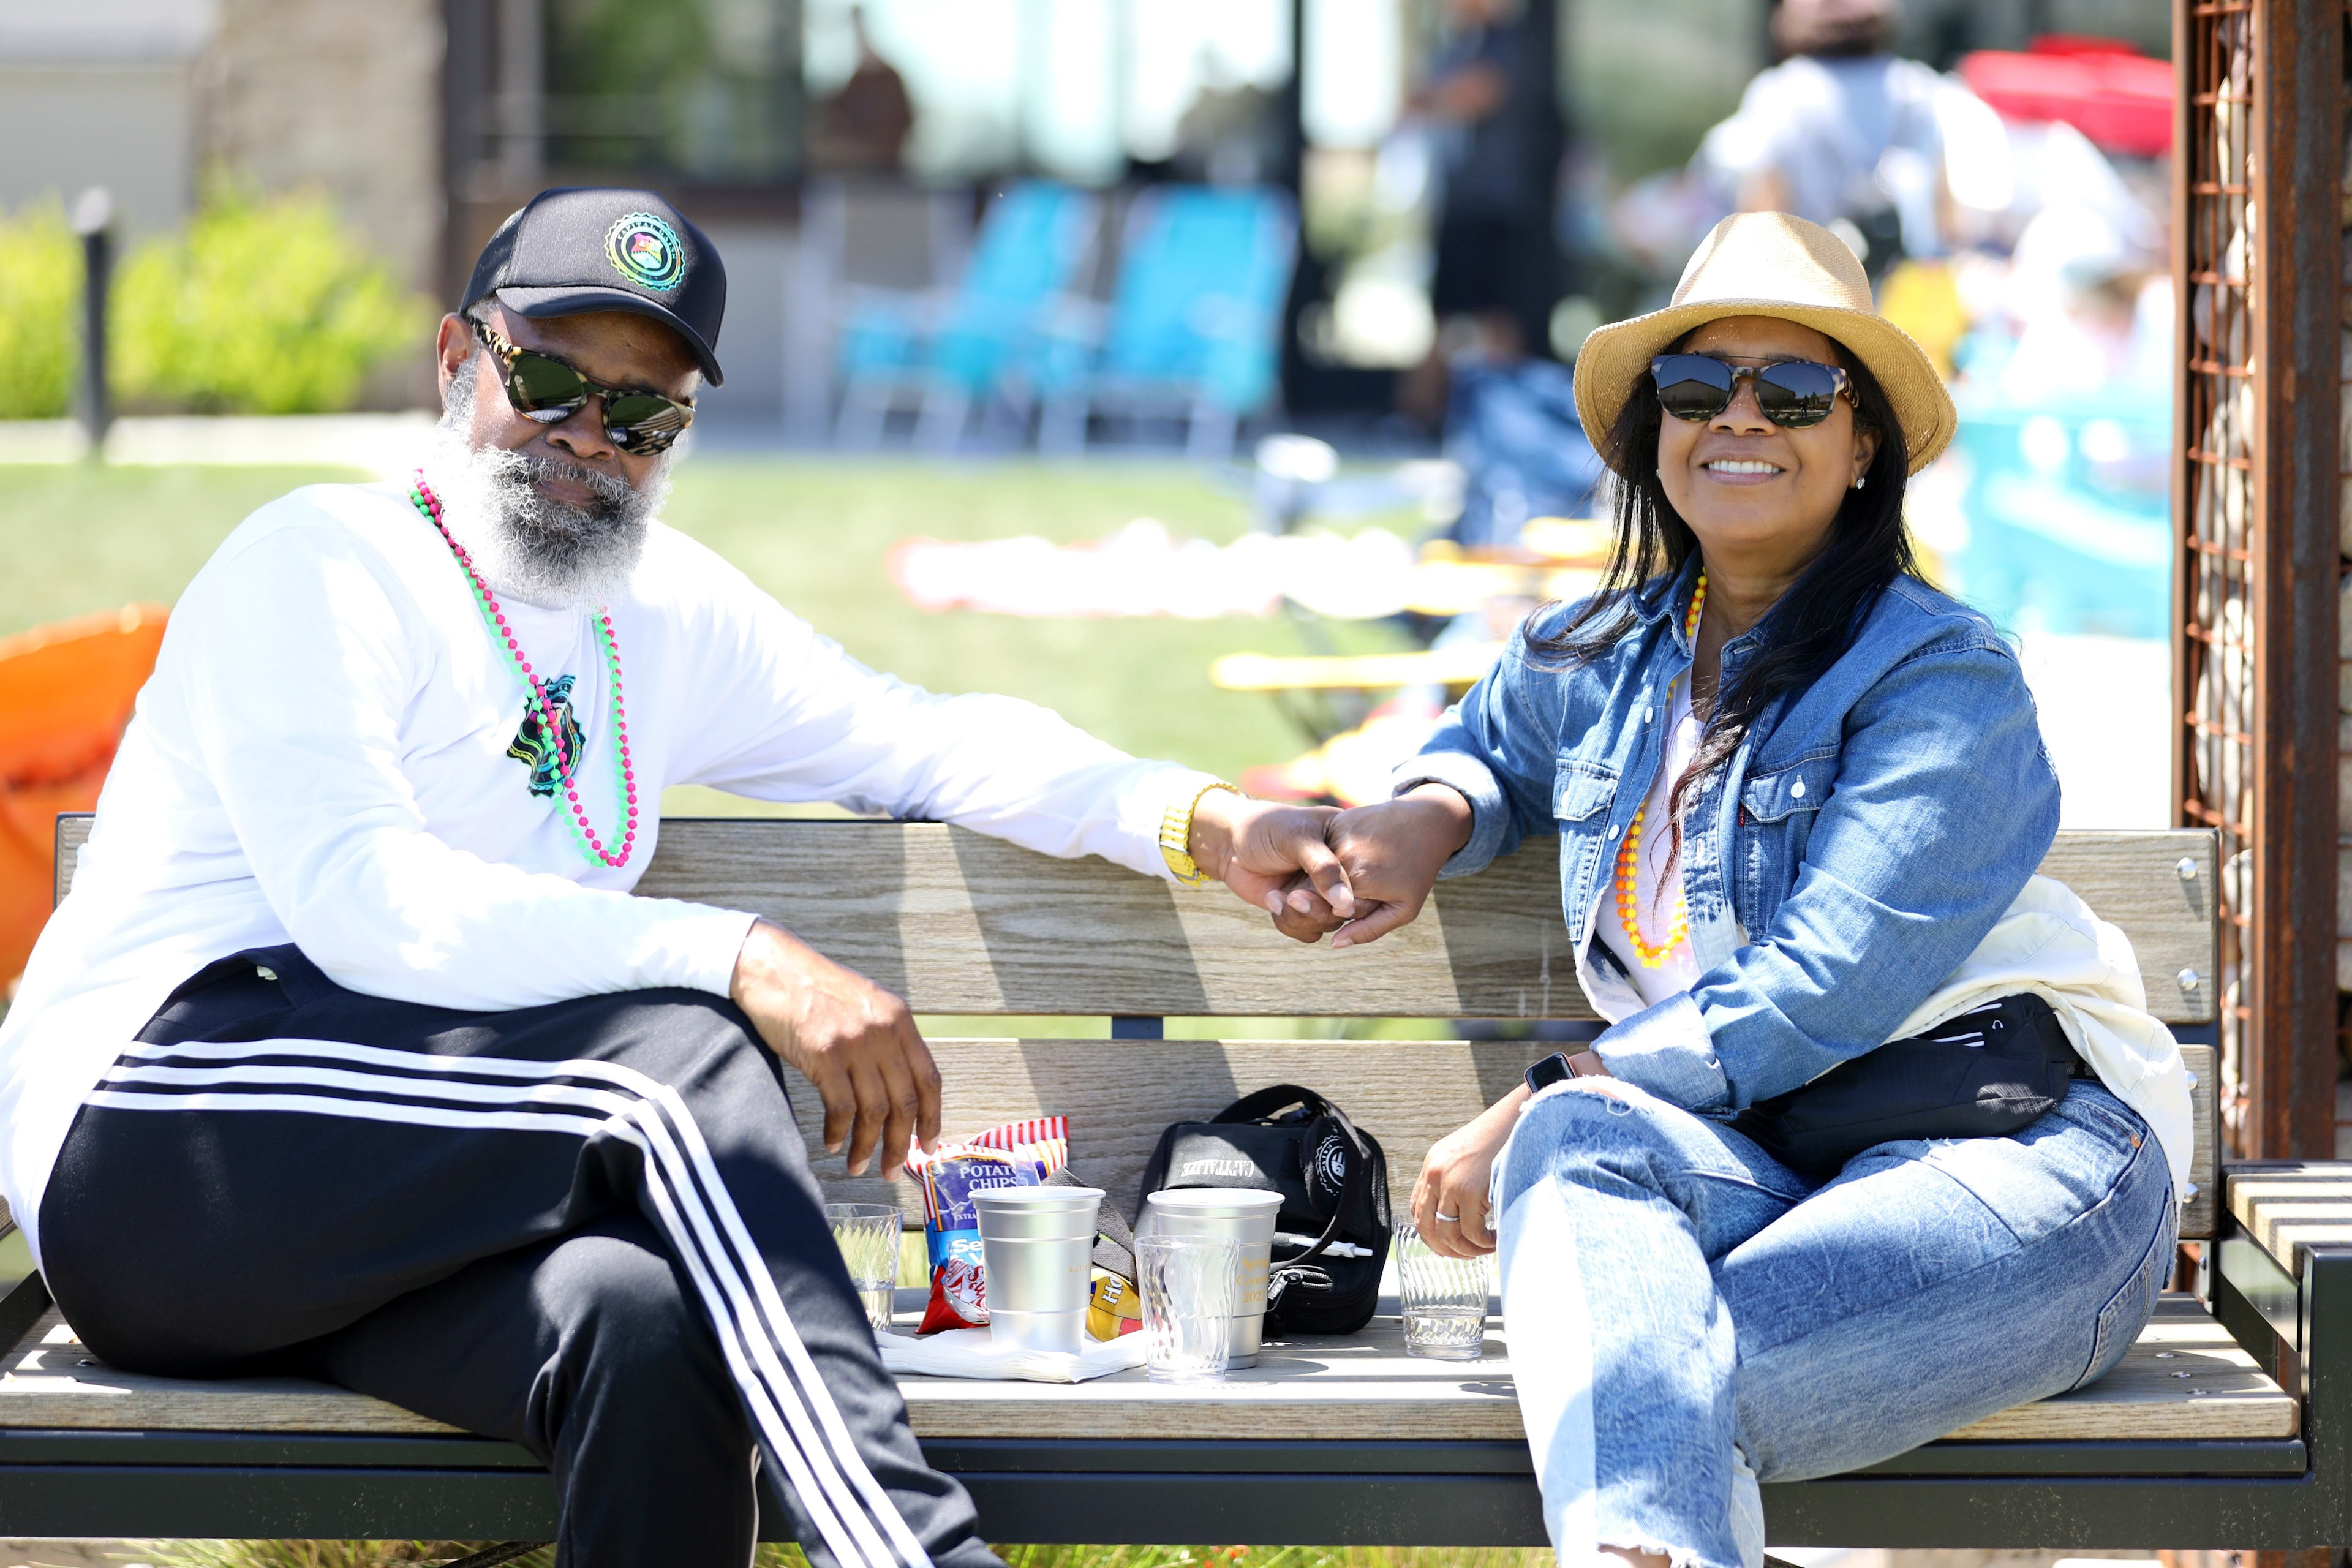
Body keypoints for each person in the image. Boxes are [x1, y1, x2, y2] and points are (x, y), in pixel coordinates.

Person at [0, 187, 1348, 1568]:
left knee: (637, 1325)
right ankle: (913, 1549)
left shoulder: (659, 616)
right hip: (161, 1140)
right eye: (551, 380)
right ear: (459, 360)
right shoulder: (326, 564)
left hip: (386, 1206)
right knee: (680, 1057)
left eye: (645, 413)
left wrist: (1194, 814)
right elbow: (366, 903)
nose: (592, 437)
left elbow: (920, 738)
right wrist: (742, 955)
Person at [1259, 213, 2188, 1568]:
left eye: (1795, 390)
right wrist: (1430, 811)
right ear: (1654, 434)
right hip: (1768, 1179)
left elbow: (1824, 983)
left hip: (2016, 1167)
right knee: (1600, 1225)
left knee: (1630, 1382)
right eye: (1697, 388)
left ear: (1862, 440)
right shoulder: (1607, 649)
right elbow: (1494, 738)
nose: (1737, 417)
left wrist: (1544, 1092)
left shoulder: (1945, 681)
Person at [1692, 0, 1951, 277]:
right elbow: (1948, 219)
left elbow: (1761, 222)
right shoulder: (1919, 90)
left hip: (1818, 296)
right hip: (1909, 297)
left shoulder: (1778, 93)